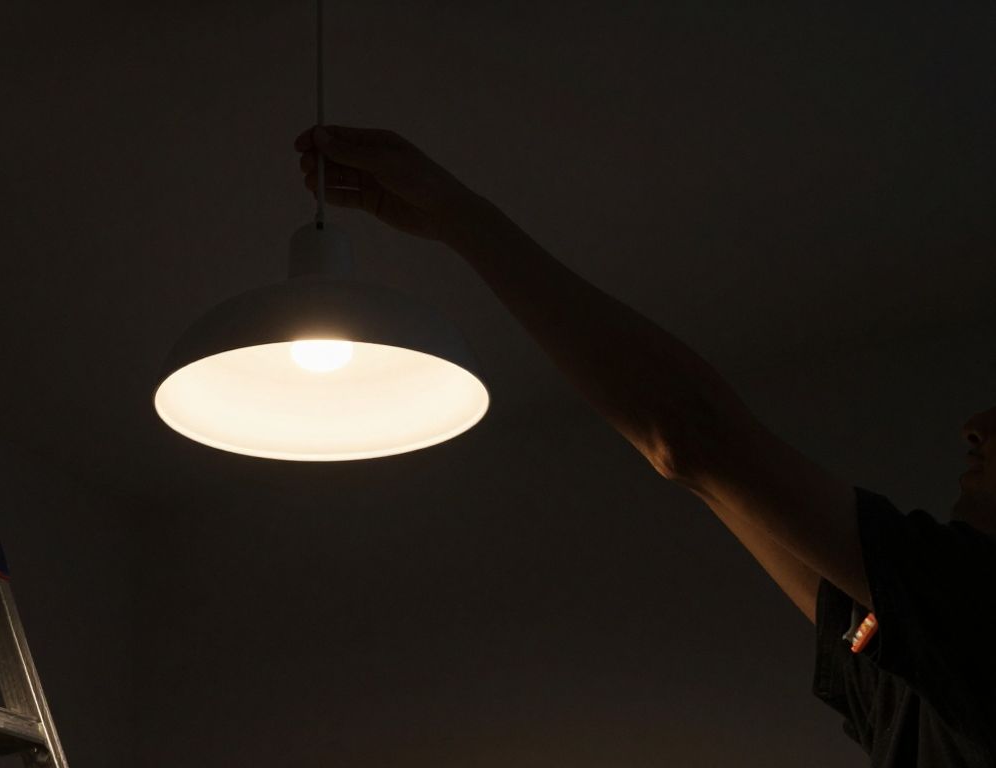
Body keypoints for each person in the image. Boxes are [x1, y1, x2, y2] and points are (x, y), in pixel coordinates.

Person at [294, 124, 996, 766]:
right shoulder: (928, 646)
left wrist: (460, 216)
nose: (977, 424)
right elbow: (699, 466)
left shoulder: (980, 610)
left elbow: (691, 438)